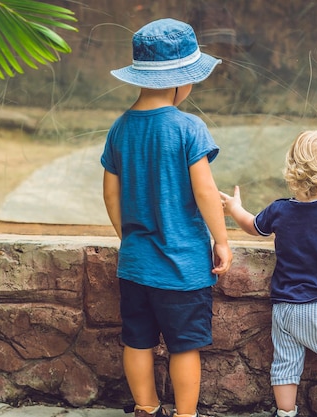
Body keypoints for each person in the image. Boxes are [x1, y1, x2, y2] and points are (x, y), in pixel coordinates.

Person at [101, 18, 233, 417]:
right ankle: (186, 413)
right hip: (182, 267)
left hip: (136, 264)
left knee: (137, 340)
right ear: (180, 81)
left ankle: (146, 407)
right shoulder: (188, 126)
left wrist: (128, 237)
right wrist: (222, 240)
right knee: (184, 346)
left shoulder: (120, 128)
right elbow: (205, 190)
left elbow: (110, 192)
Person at [220, 130, 317, 417]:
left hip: (287, 307)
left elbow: (252, 226)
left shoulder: (280, 210)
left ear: (292, 169)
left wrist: (235, 208)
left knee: (286, 363)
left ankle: (285, 412)